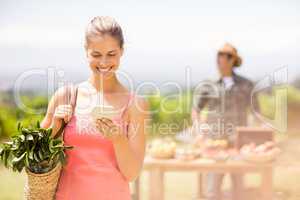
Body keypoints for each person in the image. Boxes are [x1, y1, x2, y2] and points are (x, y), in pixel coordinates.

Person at [41, 16, 148, 200]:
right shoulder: (66, 97)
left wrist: (118, 139)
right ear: (86, 51)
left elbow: (132, 174)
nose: (104, 63)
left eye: (111, 54)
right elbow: (36, 160)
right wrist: (55, 128)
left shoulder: (135, 105)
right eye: (96, 54)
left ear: (122, 51)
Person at [193, 43, 259, 200]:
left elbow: (257, 113)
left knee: (238, 191)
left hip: (239, 143)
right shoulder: (208, 84)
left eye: (225, 55)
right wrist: (199, 130)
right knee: (212, 191)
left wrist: (258, 139)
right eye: (219, 55)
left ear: (233, 60)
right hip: (214, 143)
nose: (220, 59)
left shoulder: (247, 85)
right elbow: (196, 109)